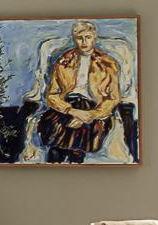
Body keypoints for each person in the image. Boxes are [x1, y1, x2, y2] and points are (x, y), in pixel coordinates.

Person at [33, 19, 122, 163]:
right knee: (54, 134)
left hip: (94, 108)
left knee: (79, 138)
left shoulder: (108, 64)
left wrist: (89, 115)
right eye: (80, 38)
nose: (84, 42)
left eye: (88, 37)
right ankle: (55, 163)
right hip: (66, 106)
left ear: (94, 38)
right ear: (74, 39)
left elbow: (113, 98)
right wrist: (72, 111)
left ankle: (74, 162)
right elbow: (52, 95)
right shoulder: (63, 61)